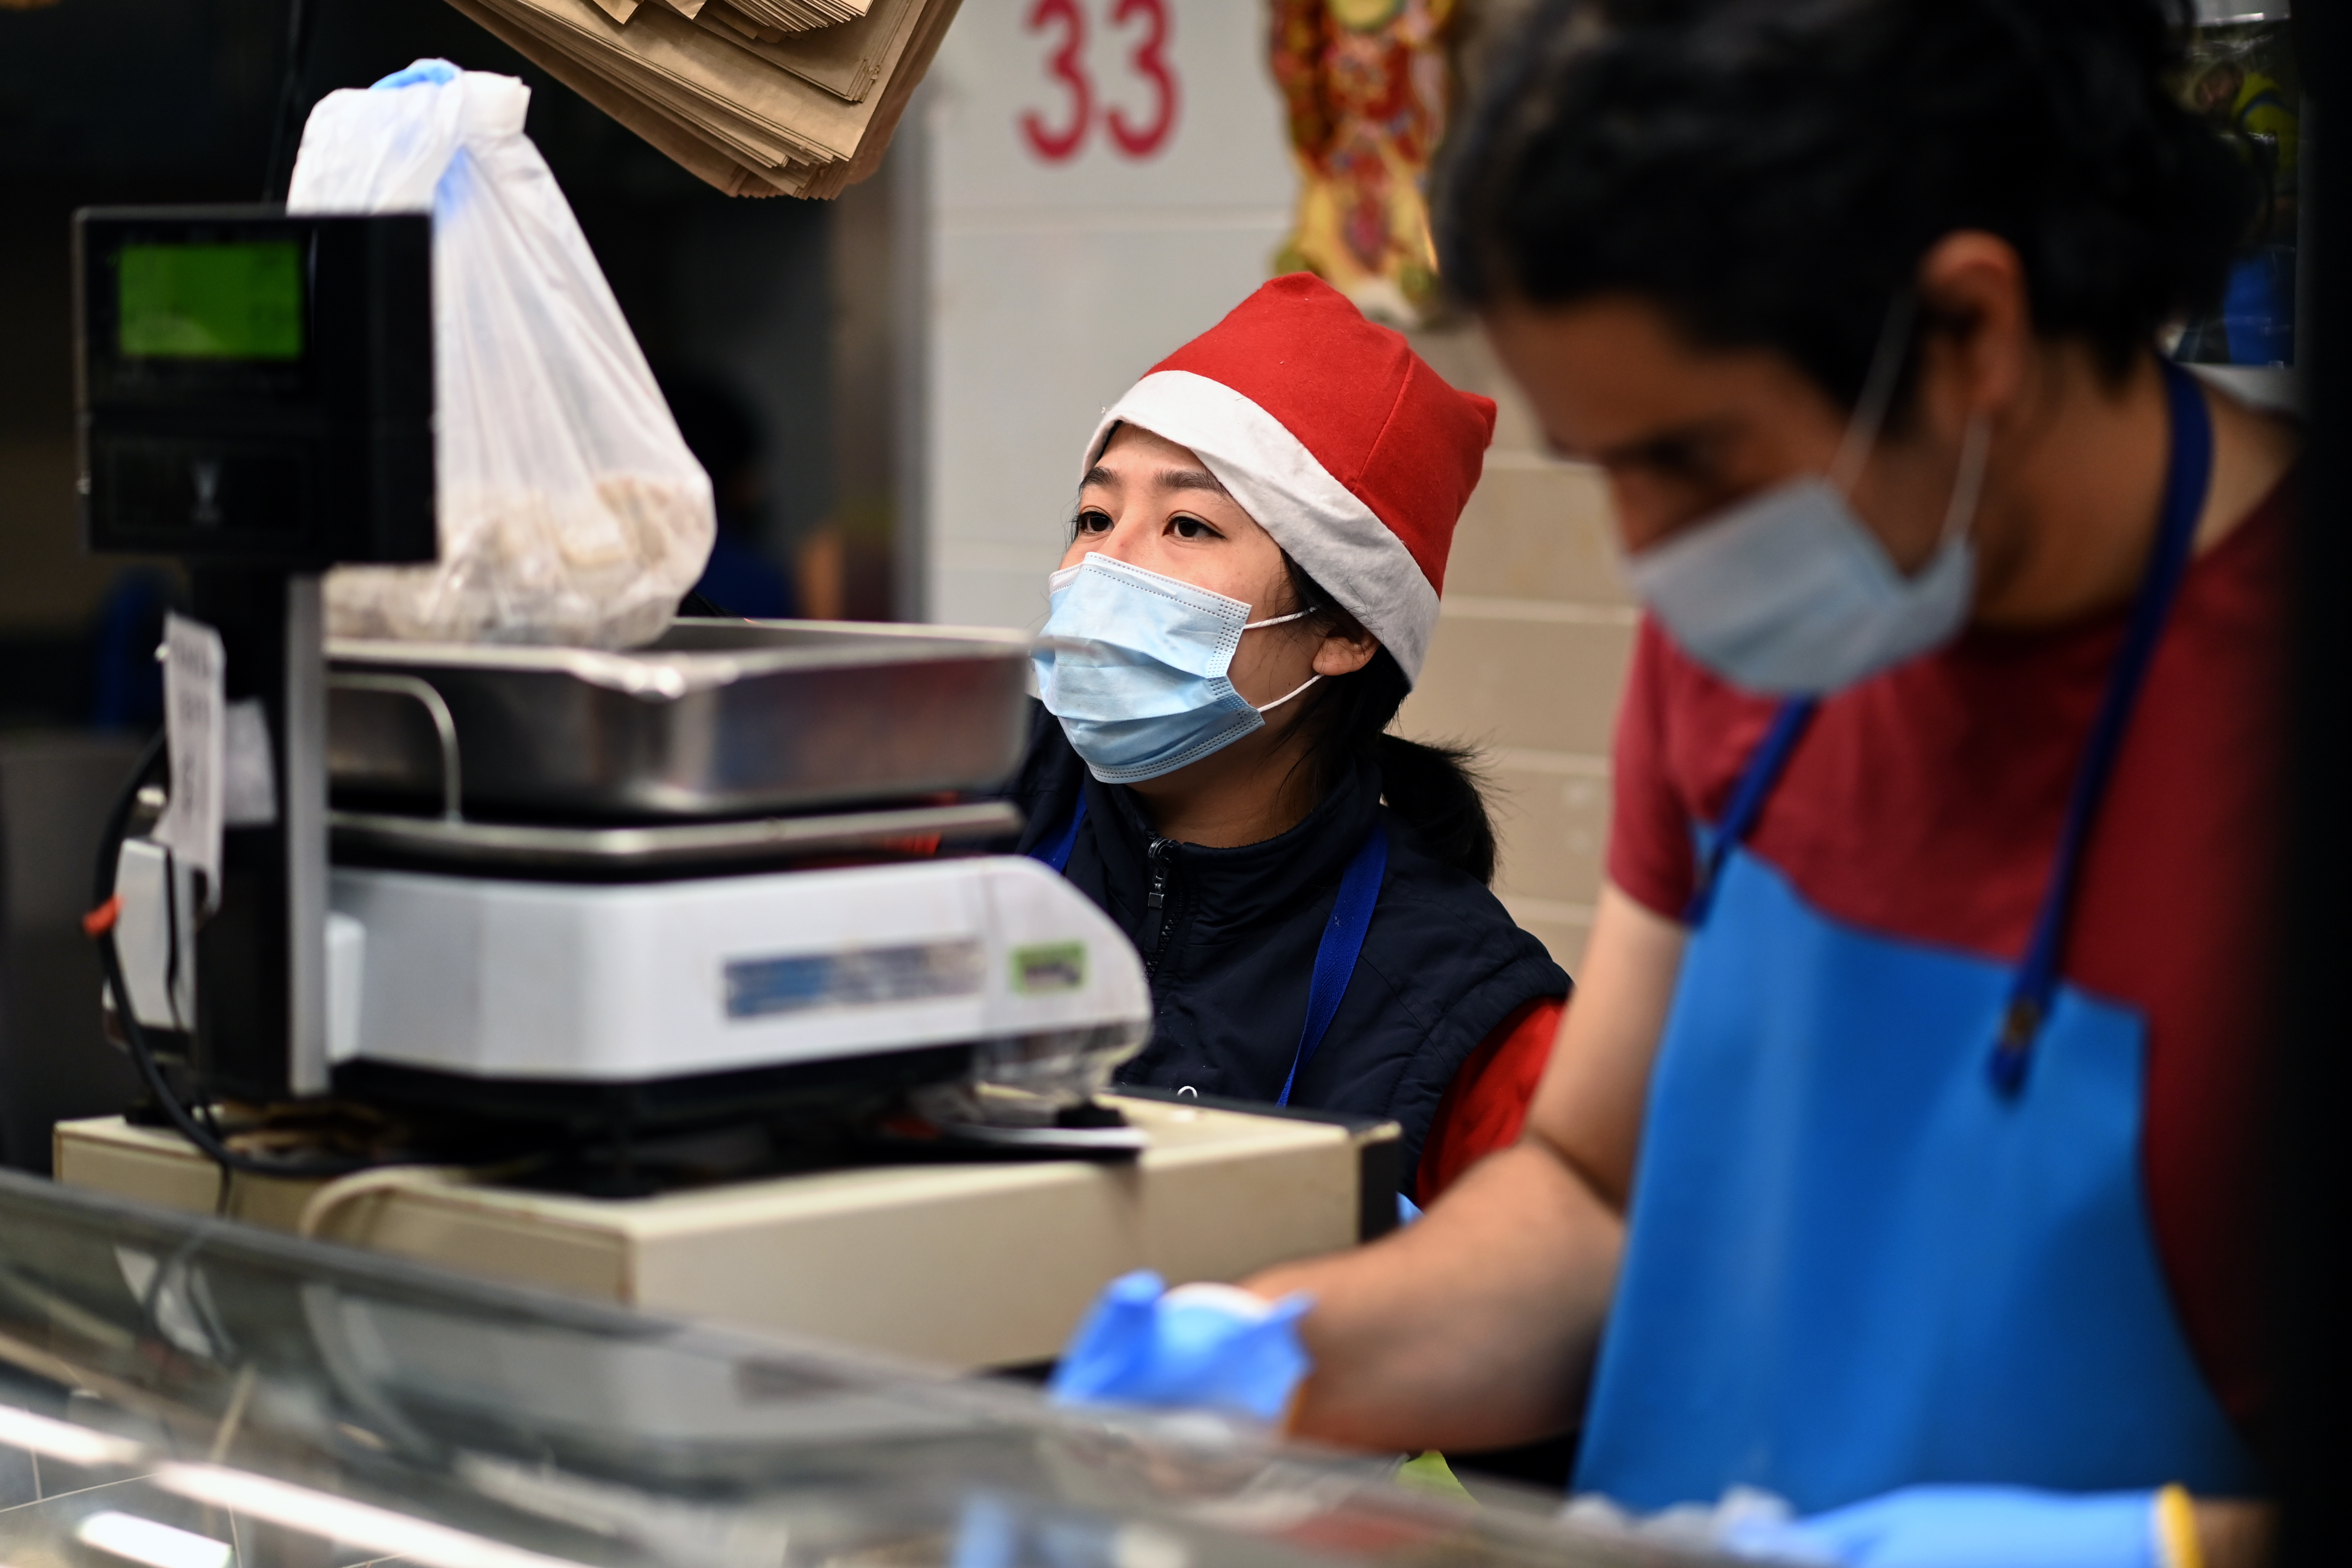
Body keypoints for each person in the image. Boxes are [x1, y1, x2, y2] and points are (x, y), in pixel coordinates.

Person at [1054, 2, 2294, 1563]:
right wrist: (1282, 1355)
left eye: (1691, 461)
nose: (1648, 553)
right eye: (1606, 465)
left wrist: (2159, 1542)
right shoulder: (1757, 640)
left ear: (1970, 334)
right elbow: (1591, 1196)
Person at [1005, 274, 1571, 1204]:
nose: (1100, 565)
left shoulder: (1468, 1013)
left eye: (1186, 524)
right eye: (1095, 517)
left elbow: (1577, 1287)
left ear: (1346, 631)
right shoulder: (969, 809)